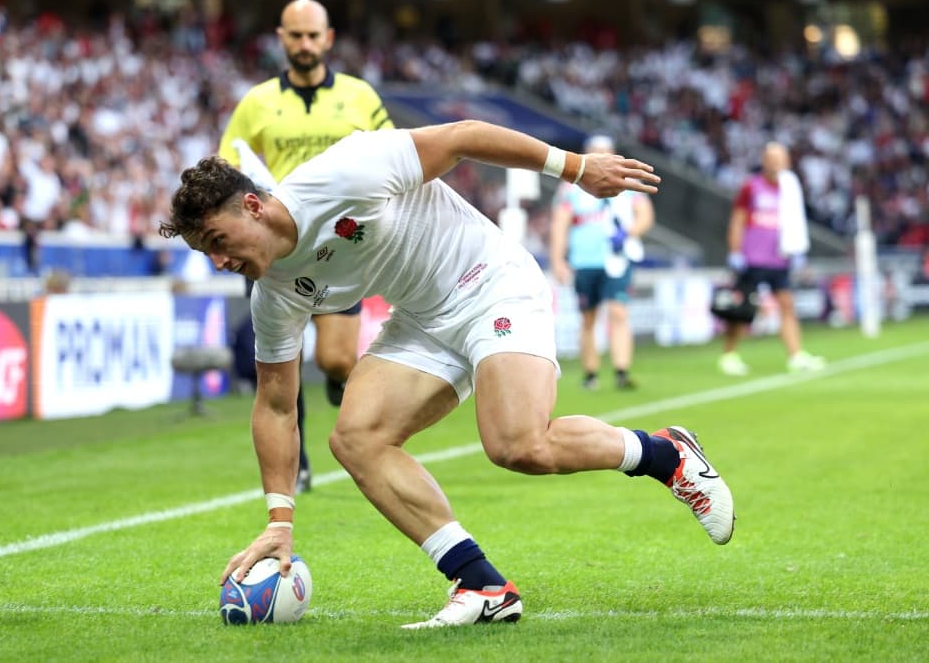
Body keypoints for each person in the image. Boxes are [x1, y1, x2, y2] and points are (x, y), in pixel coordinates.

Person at [160, 119, 735, 629]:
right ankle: (480, 584)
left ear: (254, 208)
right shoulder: (274, 294)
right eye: (204, 253)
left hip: (490, 282)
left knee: (518, 445)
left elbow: (461, 139)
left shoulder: (341, 175)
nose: (218, 261)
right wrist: (278, 520)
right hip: (423, 321)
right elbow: (278, 406)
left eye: (218, 241)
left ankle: (668, 456)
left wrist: (576, 168)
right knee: (356, 439)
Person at [218, 0, 394, 492]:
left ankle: (341, 383)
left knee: (336, 359)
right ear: (282, 38)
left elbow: (393, 152)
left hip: (343, 246)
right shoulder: (256, 104)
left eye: (313, 36)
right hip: (275, 250)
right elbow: (227, 164)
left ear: (329, 39)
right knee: (281, 363)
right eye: (296, 36)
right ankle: (297, 465)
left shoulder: (360, 97)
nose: (305, 44)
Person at [550, 134, 655, 391]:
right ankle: (590, 373)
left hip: (617, 260)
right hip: (584, 261)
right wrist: (558, 260)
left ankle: (621, 370)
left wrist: (628, 233)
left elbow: (645, 216)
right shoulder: (570, 187)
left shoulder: (627, 180)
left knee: (619, 312)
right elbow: (560, 225)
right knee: (588, 318)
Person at [719, 142, 825, 376]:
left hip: (780, 259)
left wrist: (797, 252)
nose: (776, 164)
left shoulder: (790, 190)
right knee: (742, 309)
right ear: (764, 161)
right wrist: (735, 251)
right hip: (753, 258)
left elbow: (796, 224)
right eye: (772, 159)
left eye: (780, 159)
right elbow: (738, 220)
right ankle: (729, 354)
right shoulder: (751, 187)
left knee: (787, 305)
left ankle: (796, 355)